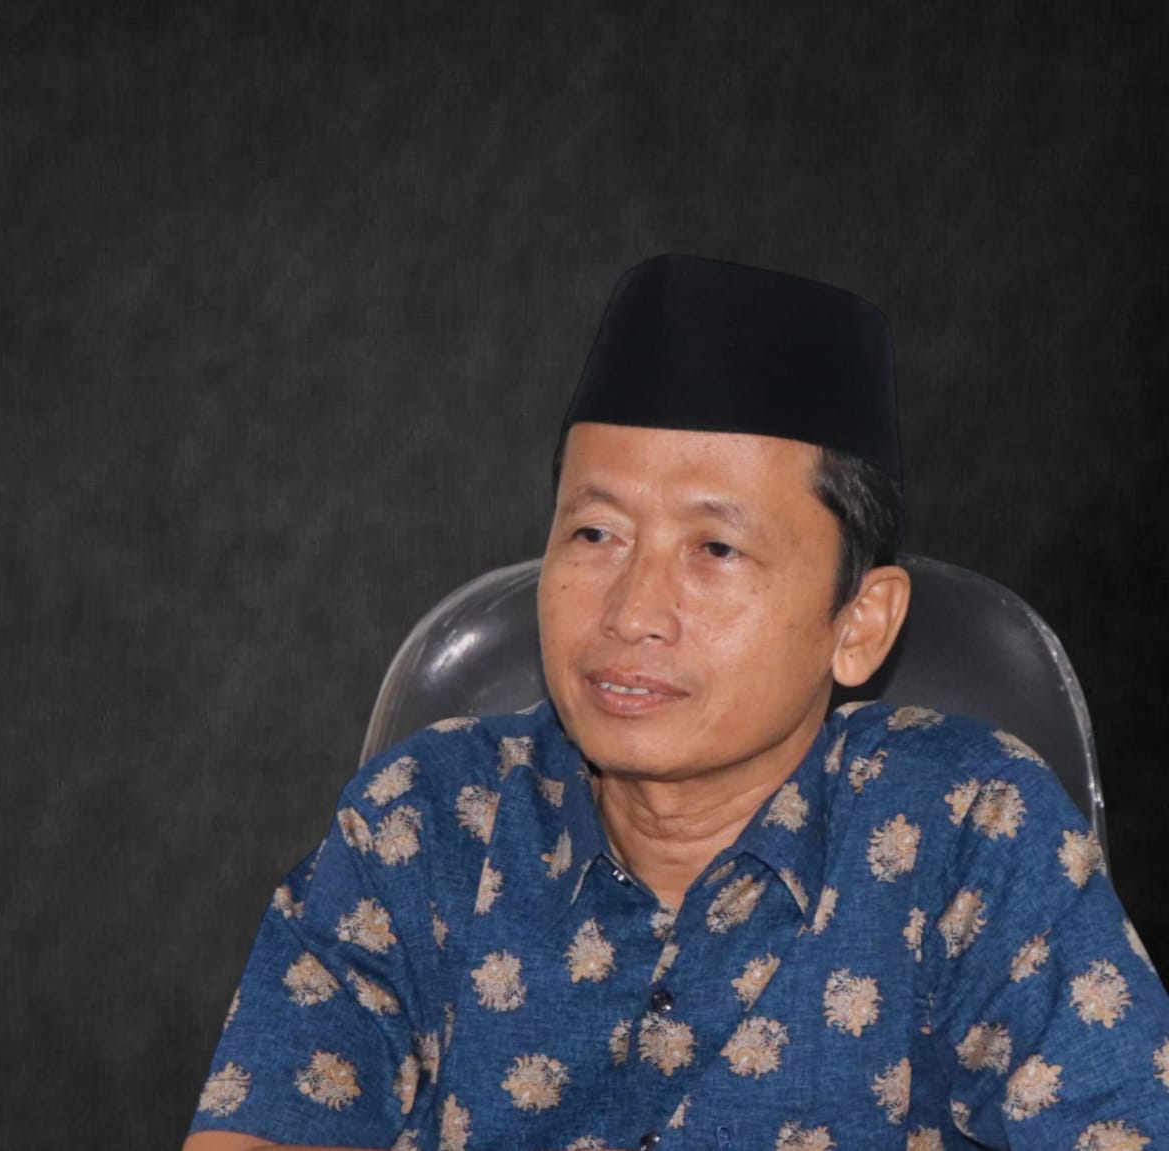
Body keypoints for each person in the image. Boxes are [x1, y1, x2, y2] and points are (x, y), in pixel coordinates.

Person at [185, 256, 1169, 1151]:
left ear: (859, 622)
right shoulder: (423, 824)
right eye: (594, 535)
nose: (630, 612)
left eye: (716, 549)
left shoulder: (969, 829)